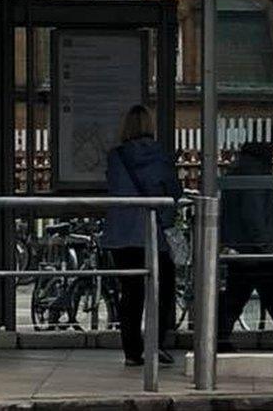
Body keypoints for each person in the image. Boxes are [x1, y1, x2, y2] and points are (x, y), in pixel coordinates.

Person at [103, 104, 182, 366]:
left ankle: (132, 352)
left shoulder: (116, 157)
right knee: (163, 288)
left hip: (121, 235)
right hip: (152, 234)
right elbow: (173, 192)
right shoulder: (161, 156)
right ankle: (155, 345)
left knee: (131, 293)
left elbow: (114, 190)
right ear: (150, 126)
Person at [217, 142, 273, 352]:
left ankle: (218, 338)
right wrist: (267, 246)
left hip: (243, 250)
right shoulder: (256, 173)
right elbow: (254, 214)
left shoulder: (237, 171)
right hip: (260, 251)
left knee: (236, 298)